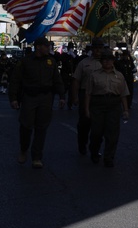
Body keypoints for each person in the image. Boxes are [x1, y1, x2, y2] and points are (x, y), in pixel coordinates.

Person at [8, 38, 66, 168]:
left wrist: (62, 96)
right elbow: (15, 81)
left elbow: (57, 79)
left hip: (46, 97)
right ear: (39, 47)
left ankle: (37, 157)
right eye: (47, 46)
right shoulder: (26, 61)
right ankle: (23, 149)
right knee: (26, 126)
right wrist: (13, 98)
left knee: (42, 127)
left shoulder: (51, 61)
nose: (49, 49)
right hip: (29, 96)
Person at [84, 49, 131, 167]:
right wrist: (87, 109)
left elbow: (123, 94)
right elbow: (88, 93)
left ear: (113, 61)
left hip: (113, 105)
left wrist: (125, 110)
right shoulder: (94, 75)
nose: (107, 62)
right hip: (98, 104)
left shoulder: (119, 76)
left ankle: (109, 157)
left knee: (112, 133)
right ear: (101, 62)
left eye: (109, 60)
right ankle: (94, 152)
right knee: (96, 132)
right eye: (104, 60)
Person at [71, 42, 104, 155]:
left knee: (99, 126)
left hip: (100, 96)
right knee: (85, 123)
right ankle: (82, 144)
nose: (98, 51)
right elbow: (76, 80)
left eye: (100, 48)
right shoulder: (84, 63)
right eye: (96, 48)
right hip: (85, 94)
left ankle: (95, 148)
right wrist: (75, 97)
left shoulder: (107, 63)